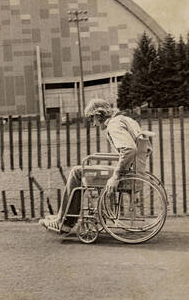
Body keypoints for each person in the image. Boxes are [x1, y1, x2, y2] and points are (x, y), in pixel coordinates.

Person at [39, 98, 143, 234]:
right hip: (134, 171)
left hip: (126, 174)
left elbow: (129, 150)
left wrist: (115, 176)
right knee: (84, 169)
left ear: (99, 116)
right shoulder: (126, 119)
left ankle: (64, 222)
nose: (93, 124)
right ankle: (64, 216)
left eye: (92, 119)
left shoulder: (114, 125)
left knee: (77, 171)